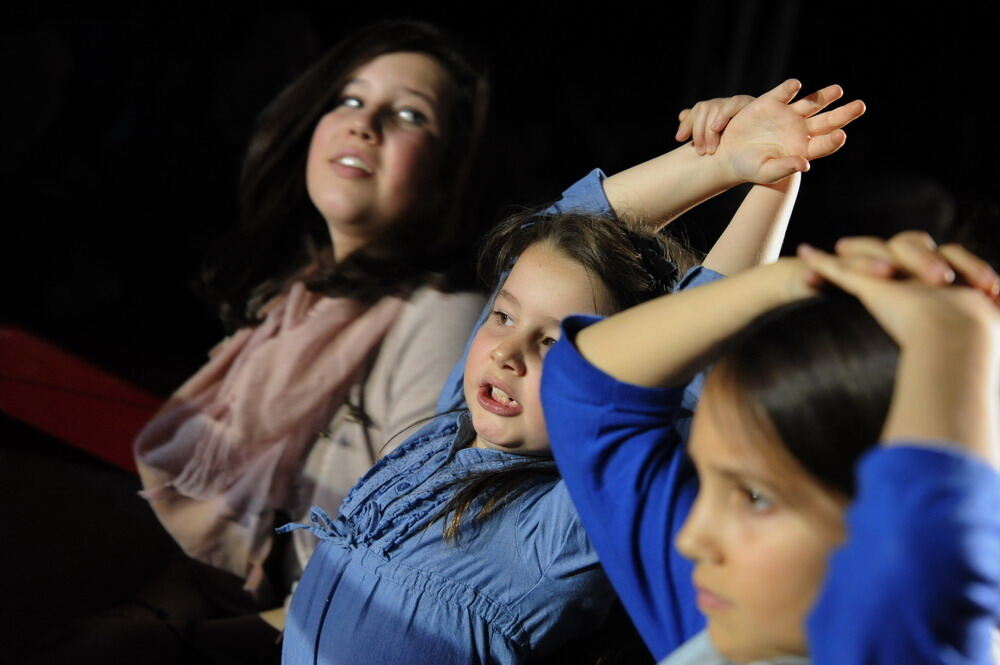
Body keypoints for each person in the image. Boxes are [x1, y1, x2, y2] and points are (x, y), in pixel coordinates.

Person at [280, 81, 866, 664]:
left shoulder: (562, 528)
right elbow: (554, 235)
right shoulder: (450, 426)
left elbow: (693, 368)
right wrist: (718, 160)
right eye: (503, 315)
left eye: (556, 341)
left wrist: (774, 175)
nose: (509, 350)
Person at [541, 231, 1000, 663]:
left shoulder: (902, 632)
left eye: (755, 496)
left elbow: (922, 578)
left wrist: (952, 338)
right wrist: (800, 279)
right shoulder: (735, 628)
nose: (690, 539)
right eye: (706, 481)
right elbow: (589, 395)